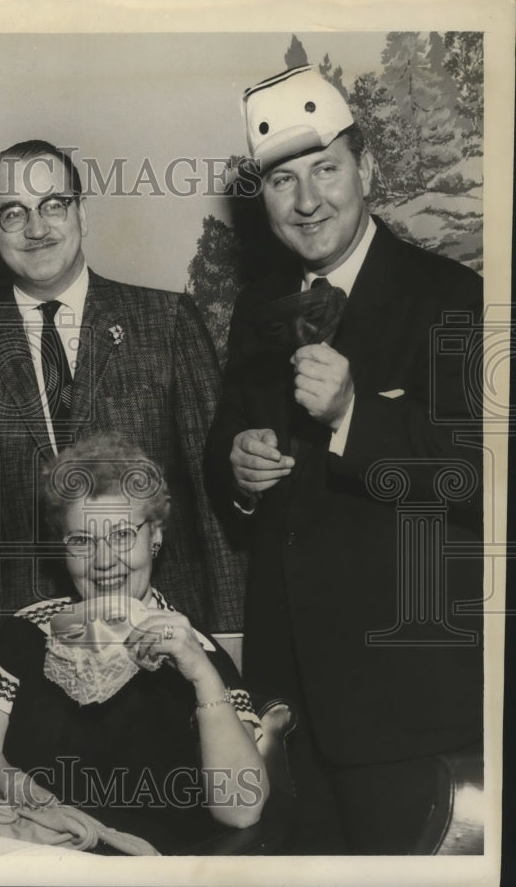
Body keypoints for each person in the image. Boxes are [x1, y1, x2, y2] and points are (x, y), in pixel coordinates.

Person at [205, 65, 483, 853]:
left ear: (365, 169)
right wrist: (238, 465)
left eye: (326, 169)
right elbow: (226, 442)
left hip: (405, 701)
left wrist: (355, 417)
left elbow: (483, 475)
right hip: (290, 701)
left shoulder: (450, 297)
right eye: (283, 181)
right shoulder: (259, 310)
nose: (307, 200)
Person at [0, 139, 245, 651]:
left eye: (53, 205)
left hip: (161, 636)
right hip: (23, 643)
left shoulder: (166, 323)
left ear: (82, 213)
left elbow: (211, 494)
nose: (37, 228)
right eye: (13, 213)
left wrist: (230, 638)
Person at [0, 433, 267, 854]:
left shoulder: (198, 653)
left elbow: (241, 810)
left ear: (154, 535)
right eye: (82, 541)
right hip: (29, 845)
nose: (103, 561)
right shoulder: (27, 632)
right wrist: (44, 805)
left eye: (122, 535)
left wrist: (203, 678)